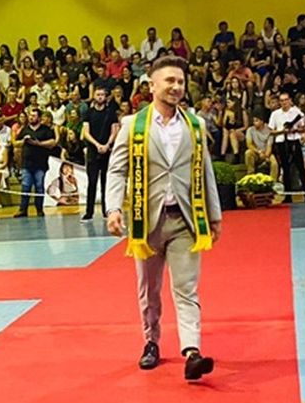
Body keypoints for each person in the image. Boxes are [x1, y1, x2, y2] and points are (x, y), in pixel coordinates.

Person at [104, 55, 221, 381]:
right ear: (152, 85)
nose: (176, 87)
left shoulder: (195, 125)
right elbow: (117, 170)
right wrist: (113, 209)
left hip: (186, 219)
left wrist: (214, 215)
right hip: (147, 222)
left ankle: (192, 352)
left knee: (186, 288)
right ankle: (151, 342)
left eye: (180, 81)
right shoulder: (133, 125)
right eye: (169, 80)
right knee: (149, 290)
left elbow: (206, 171)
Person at [81, 84, 119, 222]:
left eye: (102, 95)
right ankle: (89, 212)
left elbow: (114, 130)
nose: (100, 97)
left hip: (107, 151)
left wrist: (107, 144)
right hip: (93, 151)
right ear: (94, 96)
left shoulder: (111, 113)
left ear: (106, 97)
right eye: (98, 95)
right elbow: (86, 132)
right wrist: (97, 145)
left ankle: (106, 210)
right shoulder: (88, 113)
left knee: (105, 183)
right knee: (92, 182)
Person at [13, 108, 57, 218]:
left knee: (39, 187)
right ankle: (23, 209)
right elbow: (15, 143)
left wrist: (38, 143)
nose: (31, 118)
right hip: (27, 164)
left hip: (40, 164)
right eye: (30, 115)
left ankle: (39, 209)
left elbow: (52, 142)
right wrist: (23, 141)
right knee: (26, 186)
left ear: (39, 117)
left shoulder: (45, 129)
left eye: (33, 116)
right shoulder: (25, 129)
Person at [268, 93, 305, 192]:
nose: (284, 102)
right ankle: (287, 193)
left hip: (294, 140)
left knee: (300, 166)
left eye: (286, 100)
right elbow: (271, 131)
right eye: (282, 100)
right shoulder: (275, 114)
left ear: (289, 100)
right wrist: (282, 131)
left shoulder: (296, 112)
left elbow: (303, 127)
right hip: (281, 142)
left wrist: (295, 130)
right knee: (285, 167)